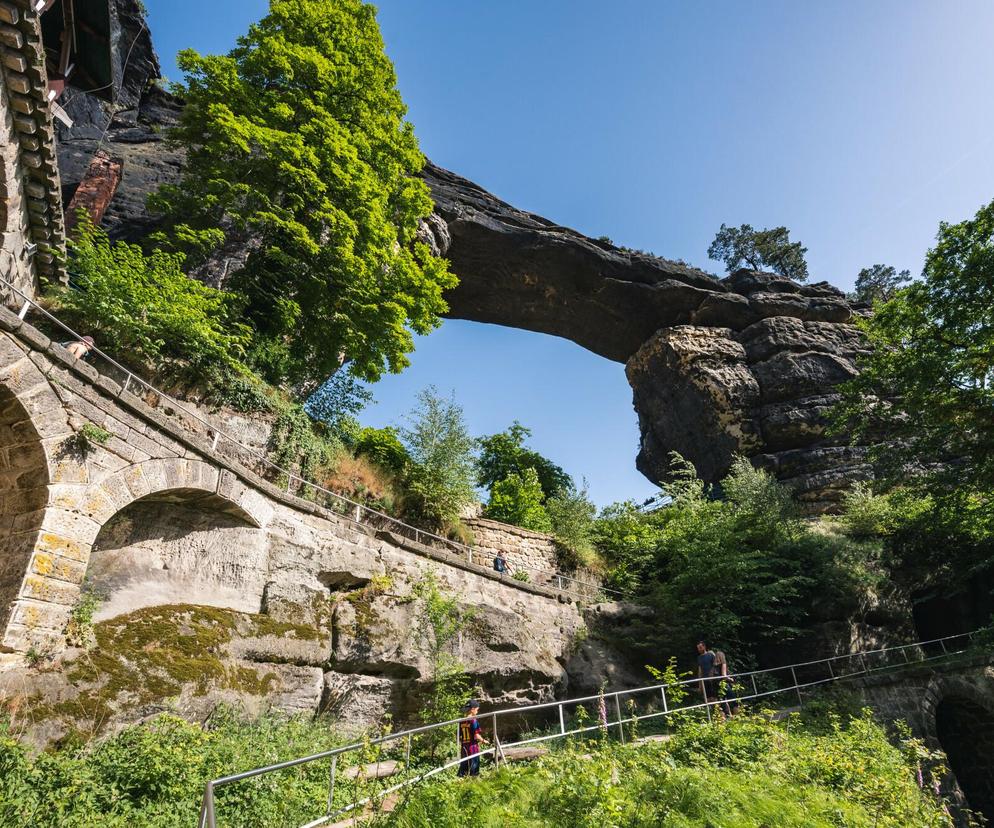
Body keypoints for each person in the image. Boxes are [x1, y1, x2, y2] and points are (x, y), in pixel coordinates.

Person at [457, 699, 486, 777]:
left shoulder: (461, 721)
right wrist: (483, 740)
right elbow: (476, 735)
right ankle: (474, 780)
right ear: (472, 709)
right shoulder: (473, 720)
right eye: (477, 710)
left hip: (464, 747)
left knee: (464, 765)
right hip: (472, 747)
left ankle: (461, 779)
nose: (477, 712)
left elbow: (459, 735)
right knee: (474, 764)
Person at [713, 649, 739, 717]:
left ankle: (722, 724)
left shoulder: (714, 666)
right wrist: (731, 679)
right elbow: (724, 676)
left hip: (717, 686)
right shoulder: (723, 663)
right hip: (724, 684)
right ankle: (738, 720)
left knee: (721, 705)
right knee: (735, 702)